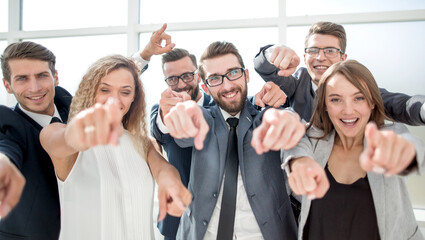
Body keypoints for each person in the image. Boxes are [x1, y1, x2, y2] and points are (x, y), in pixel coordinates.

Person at [163, 41, 305, 240]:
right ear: (205, 87)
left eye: (233, 73)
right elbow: (183, 127)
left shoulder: (265, 115)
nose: (227, 85)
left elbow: (285, 120)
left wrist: (288, 119)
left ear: (246, 75)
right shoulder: (201, 119)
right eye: (215, 79)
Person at [40, 54, 191, 239]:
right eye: (105, 90)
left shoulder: (142, 143)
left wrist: (172, 184)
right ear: (90, 91)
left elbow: (164, 169)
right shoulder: (58, 132)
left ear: (134, 98)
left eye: (125, 92)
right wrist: (82, 131)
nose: (114, 100)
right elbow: (60, 141)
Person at [282, 60, 425, 240]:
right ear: (325, 105)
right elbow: (295, 138)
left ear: (372, 102)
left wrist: (406, 152)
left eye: (359, 98)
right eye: (336, 99)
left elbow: (414, 148)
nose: (348, 110)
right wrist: (298, 161)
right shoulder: (312, 140)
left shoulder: (392, 134)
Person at [254, 21, 425, 125]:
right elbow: (265, 68)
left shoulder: (357, 85)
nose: (320, 57)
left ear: (343, 58)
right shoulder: (297, 82)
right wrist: (272, 53)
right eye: (313, 50)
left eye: (330, 50)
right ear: (305, 57)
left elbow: (399, 104)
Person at [0, 41, 72, 239]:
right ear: (8, 85)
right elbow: (5, 151)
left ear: (55, 77)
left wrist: (144, 55)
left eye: (41, 76)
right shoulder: (9, 127)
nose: (35, 88)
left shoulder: (71, 105)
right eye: (22, 79)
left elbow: (112, 88)